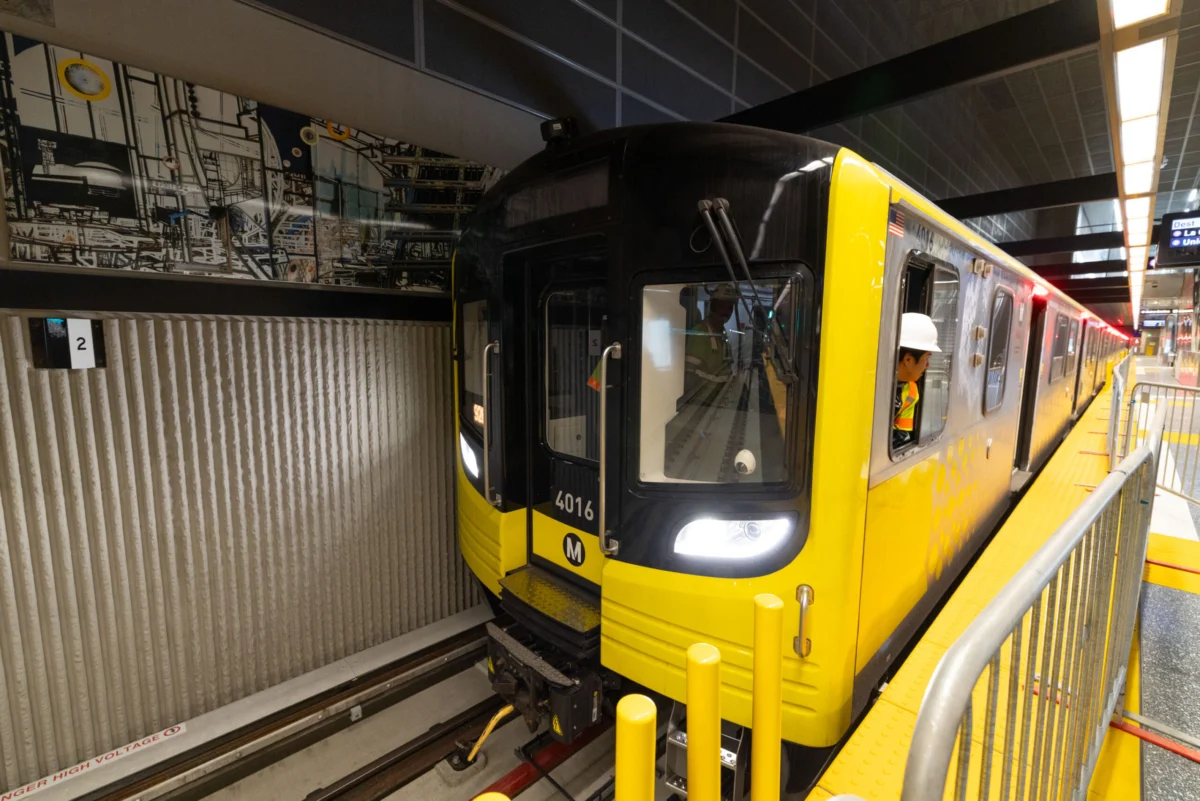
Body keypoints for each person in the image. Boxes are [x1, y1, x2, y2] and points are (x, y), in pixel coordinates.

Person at [893, 312, 941, 451]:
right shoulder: (870, 383)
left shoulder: (911, 392)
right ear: (908, 360)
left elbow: (900, 437)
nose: (927, 365)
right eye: (926, 358)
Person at [684, 283, 737, 399]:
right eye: (721, 306)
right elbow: (689, 377)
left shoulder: (721, 332)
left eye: (729, 308)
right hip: (704, 402)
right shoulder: (700, 333)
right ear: (712, 306)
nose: (726, 312)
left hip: (718, 398)